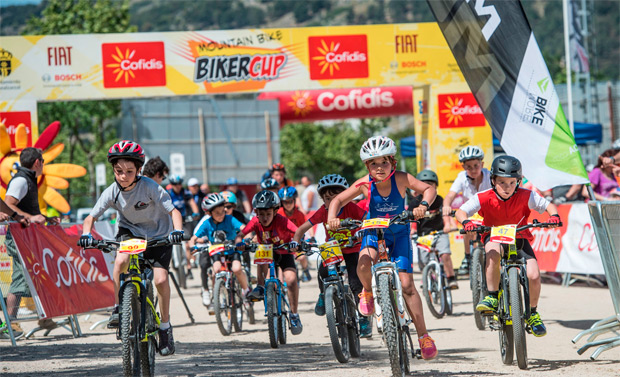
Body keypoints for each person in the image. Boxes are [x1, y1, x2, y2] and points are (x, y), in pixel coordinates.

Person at [326, 136, 438, 360]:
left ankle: (424, 335)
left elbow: (428, 190)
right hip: (372, 231)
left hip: (399, 233)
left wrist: (423, 205)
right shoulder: (364, 184)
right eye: (373, 163)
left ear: (392, 162)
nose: (379, 167)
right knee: (364, 263)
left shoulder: (402, 178)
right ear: (367, 166)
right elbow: (338, 200)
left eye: (384, 162)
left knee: (407, 285)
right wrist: (332, 218)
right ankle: (366, 291)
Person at [78, 140, 183, 356]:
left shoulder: (150, 187)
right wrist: (86, 234)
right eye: (118, 171)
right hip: (131, 232)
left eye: (129, 171)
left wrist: (177, 231)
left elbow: (174, 212)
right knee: (121, 261)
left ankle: (165, 327)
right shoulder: (112, 191)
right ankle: (119, 309)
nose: (123, 175)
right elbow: (91, 217)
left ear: (138, 170)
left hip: (159, 235)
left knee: (161, 280)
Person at [455, 155, 560, 337]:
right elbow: (461, 211)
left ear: (518, 182)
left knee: (534, 275)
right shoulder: (483, 197)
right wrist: (466, 222)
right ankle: (493, 296)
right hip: (494, 236)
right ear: (493, 180)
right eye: (502, 182)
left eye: (512, 183)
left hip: (520, 238)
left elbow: (548, 205)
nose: (507, 187)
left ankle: (532, 313)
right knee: (493, 254)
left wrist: (554, 217)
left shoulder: (527, 195)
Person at [291, 174, 373, 338]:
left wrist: (363, 231)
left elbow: (366, 219)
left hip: (352, 248)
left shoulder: (351, 207)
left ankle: (364, 319)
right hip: (333, 248)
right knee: (323, 271)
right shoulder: (323, 211)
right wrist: (295, 241)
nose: (331, 202)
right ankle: (323, 295)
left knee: (356, 283)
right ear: (322, 199)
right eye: (327, 198)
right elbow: (302, 228)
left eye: (335, 198)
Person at [4, 147, 59, 333]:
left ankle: (45, 318)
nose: (43, 165)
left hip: (27, 237)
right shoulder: (21, 180)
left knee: (39, 275)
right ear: (37, 162)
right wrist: (31, 217)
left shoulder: (26, 179)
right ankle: (9, 323)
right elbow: (9, 204)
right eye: (43, 161)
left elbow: (29, 210)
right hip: (19, 237)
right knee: (20, 276)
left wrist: (44, 217)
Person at [237, 190, 303, 335]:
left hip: (284, 252)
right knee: (261, 251)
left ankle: (294, 315)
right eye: (261, 214)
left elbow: (298, 231)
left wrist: (297, 242)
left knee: (291, 280)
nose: (265, 217)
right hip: (266, 253)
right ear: (256, 213)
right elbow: (241, 234)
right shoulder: (255, 221)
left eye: (268, 214)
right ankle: (260, 286)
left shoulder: (283, 220)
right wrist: (240, 242)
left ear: (275, 211)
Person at [189, 193, 249, 306]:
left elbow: (245, 229)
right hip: (217, 251)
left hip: (232, 250)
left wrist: (244, 238)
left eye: (223, 211)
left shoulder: (230, 219)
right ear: (209, 213)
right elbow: (193, 238)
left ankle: (246, 291)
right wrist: (193, 246)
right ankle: (216, 295)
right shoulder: (207, 224)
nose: (221, 215)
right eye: (217, 213)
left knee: (237, 268)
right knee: (215, 270)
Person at [442, 146, 492, 276]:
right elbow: (450, 196)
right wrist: (447, 205)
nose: (473, 169)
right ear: (463, 167)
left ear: (482, 164)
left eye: (476, 165)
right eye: (469, 167)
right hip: (471, 213)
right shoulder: (461, 177)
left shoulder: (490, 176)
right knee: (467, 226)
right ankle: (468, 256)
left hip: (489, 211)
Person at [412, 170, 458, 289]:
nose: (428, 187)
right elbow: (412, 219)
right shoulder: (415, 202)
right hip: (423, 235)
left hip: (439, 232)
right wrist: (412, 231)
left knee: (445, 254)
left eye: (431, 184)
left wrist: (447, 224)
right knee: (423, 260)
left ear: (435, 187)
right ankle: (426, 276)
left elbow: (445, 213)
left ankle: (451, 277)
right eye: (424, 184)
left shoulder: (439, 199)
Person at [167, 175, 200, 279]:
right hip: (171, 221)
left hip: (184, 221)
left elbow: (192, 203)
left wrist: (196, 213)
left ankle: (189, 269)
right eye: (174, 184)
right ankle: (174, 265)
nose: (177, 186)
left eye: (179, 184)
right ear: (171, 185)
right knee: (168, 245)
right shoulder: (168, 194)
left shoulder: (186, 193)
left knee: (186, 244)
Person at [277, 186, 311, 282]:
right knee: (280, 264)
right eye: (285, 202)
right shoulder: (278, 213)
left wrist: (309, 237)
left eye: (290, 201)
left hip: (297, 241)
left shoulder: (299, 214)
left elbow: (305, 228)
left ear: (294, 201)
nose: (288, 204)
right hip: (283, 242)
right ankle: (281, 285)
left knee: (302, 257)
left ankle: (305, 269)